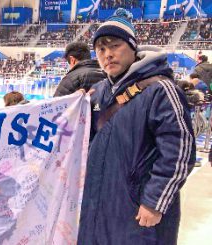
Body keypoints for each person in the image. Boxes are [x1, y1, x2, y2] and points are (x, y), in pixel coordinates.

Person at [78, 9, 195, 245]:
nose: (107, 54)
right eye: (101, 49)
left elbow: (180, 151)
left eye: (115, 46)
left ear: (132, 47)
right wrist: (78, 106)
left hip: (139, 214)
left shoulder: (161, 89)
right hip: (98, 208)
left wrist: (154, 201)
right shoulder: (99, 91)